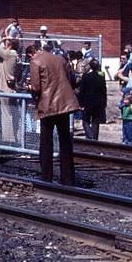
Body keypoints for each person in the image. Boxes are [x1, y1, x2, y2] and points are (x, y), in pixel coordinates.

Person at [25, 42, 81, 185]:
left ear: (30, 54)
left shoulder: (35, 61)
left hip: (48, 105)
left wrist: (29, 87)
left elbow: (37, 88)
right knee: (65, 141)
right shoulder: (59, 59)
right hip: (65, 103)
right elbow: (69, 80)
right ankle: (68, 179)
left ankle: (46, 178)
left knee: (46, 142)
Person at [77, 59, 107, 140]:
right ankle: (94, 139)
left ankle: (90, 135)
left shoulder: (86, 76)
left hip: (87, 103)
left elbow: (82, 90)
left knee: (85, 121)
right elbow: (104, 92)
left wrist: (80, 103)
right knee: (95, 122)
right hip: (98, 103)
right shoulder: (101, 78)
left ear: (90, 66)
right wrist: (104, 103)